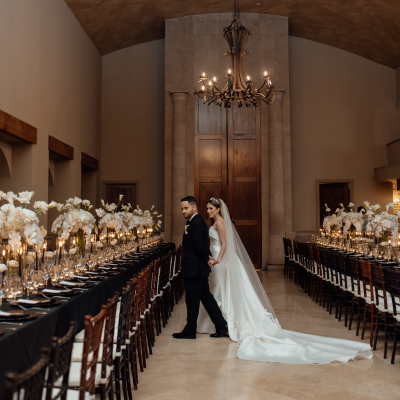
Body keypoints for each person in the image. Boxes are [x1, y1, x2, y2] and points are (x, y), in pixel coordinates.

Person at [196, 197, 373, 364]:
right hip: (219, 259)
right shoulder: (215, 222)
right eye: (207, 209)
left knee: (220, 288)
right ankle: (219, 322)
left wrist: (218, 259)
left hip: (222, 259)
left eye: (211, 209)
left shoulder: (219, 222)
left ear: (219, 209)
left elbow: (225, 244)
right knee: (220, 288)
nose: (208, 211)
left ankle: (221, 323)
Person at [172, 196, 228, 339]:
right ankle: (221, 325)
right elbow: (202, 244)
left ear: (194, 207)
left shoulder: (196, 222)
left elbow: (199, 245)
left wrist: (206, 258)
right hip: (198, 267)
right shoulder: (196, 221)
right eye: (182, 209)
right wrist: (207, 257)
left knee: (192, 300)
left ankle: (190, 330)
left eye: (186, 208)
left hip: (194, 268)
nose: (183, 211)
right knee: (206, 298)